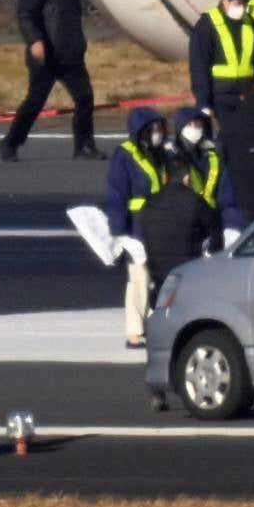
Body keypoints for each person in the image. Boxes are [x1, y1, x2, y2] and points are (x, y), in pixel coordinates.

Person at [128, 109, 224, 377]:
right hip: (186, 271)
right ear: (185, 178)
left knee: (159, 320)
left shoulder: (150, 208)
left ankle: (156, 377)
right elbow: (213, 232)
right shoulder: (193, 203)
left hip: (160, 274)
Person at [192, 0, 254, 220]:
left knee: (247, 150)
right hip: (220, 98)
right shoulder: (207, 25)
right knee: (226, 149)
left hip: (248, 98)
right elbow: (199, 66)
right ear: (224, 0)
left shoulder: (250, 24)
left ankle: (245, 197)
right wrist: (203, 102)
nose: (240, 7)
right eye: (237, 2)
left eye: (244, 2)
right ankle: (224, 198)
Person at [2, 0, 99, 162]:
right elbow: (26, 14)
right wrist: (35, 40)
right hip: (46, 55)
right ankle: (11, 142)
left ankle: (84, 146)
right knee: (35, 101)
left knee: (85, 98)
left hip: (70, 54)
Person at [101, 107, 170, 345]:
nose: (158, 134)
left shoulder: (161, 154)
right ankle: (134, 330)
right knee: (139, 277)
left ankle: (155, 324)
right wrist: (120, 233)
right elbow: (116, 194)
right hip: (137, 225)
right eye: (153, 129)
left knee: (159, 277)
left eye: (160, 128)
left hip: (161, 222)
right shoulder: (125, 154)